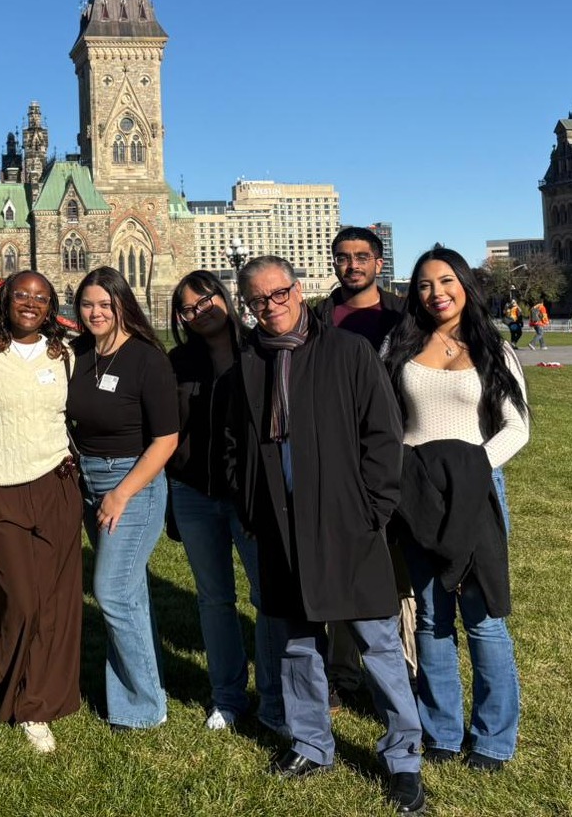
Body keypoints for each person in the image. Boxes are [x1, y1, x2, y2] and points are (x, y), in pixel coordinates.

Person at [226, 256, 424, 813]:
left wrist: (375, 510)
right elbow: (236, 444)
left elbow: (382, 435)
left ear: (300, 289)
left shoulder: (347, 352)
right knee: (295, 642)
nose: (271, 306)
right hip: (280, 525)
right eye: (258, 299)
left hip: (347, 521)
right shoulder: (247, 364)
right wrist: (251, 506)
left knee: (378, 642)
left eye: (280, 293)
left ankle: (404, 756)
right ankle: (312, 742)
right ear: (248, 304)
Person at [384, 247, 529, 772]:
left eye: (446, 280)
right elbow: (387, 422)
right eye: (423, 284)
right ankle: (441, 731)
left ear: (464, 284)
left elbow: (518, 428)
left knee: (484, 618)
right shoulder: (398, 347)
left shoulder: (494, 348)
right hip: (417, 496)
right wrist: (414, 478)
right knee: (430, 619)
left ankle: (493, 738)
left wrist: (468, 471)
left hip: (477, 494)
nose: (436, 292)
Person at [0, 271, 82, 754]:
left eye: (41, 297)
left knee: (55, 603)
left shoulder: (65, 354)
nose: (30, 303)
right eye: (22, 295)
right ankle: (7, 674)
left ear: (51, 306)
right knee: (22, 600)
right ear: (5, 300)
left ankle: (36, 704)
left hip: (56, 484)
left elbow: (78, 414)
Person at [167, 270, 286, 733]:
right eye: (189, 308)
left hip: (250, 495)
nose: (200, 312)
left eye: (206, 300)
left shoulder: (261, 352)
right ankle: (229, 697)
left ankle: (273, 700)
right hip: (194, 493)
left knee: (266, 597)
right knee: (214, 600)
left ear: (225, 298)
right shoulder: (176, 362)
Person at [66, 266, 179, 731]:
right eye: (87, 304)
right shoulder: (80, 353)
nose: (95, 312)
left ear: (121, 305)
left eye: (104, 304)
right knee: (129, 592)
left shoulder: (147, 359)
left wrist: (121, 494)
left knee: (111, 591)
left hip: (133, 481)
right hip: (89, 479)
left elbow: (166, 439)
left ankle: (143, 707)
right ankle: (142, 690)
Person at [315, 226, 416, 706]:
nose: (351, 265)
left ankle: (406, 672)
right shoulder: (320, 316)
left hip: (396, 454)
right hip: (337, 460)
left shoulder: (405, 315)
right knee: (341, 566)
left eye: (361, 257)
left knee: (398, 572)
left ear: (378, 262)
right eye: (342, 257)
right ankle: (342, 673)